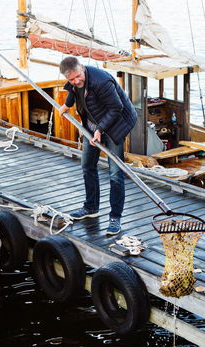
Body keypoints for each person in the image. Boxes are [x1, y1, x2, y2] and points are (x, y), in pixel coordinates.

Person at [57, 56, 137, 236]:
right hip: (92, 126)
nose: (77, 81)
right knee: (87, 166)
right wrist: (66, 105)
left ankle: (115, 217)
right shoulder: (74, 83)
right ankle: (91, 207)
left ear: (82, 68)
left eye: (78, 76)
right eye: (71, 79)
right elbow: (74, 91)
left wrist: (100, 130)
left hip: (115, 125)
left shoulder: (102, 81)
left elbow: (116, 107)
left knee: (115, 174)